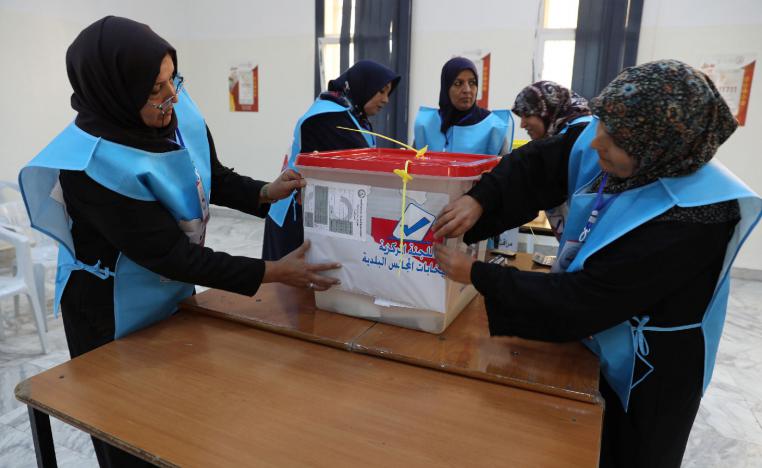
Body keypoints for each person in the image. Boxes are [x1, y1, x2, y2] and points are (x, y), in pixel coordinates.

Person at [19, 16, 340, 467]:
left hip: (170, 289)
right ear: (117, 88)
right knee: (128, 430)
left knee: (180, 417)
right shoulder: (87, 165)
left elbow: (209, 176)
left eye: (173, 78)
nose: (171, 94)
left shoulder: (175, 111)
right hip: (109, 307)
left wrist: (265, 192)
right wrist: (272, 271)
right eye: (155, 88)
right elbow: (170, 256)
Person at [431, 60, 761, 467]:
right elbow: (536, 163)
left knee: (630, 451)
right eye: (600, 123)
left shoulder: (697, 217)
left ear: (653, 149)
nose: (595, 142)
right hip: (593, 339)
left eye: (613, 137)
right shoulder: (610, 135)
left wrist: (478, 275)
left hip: (653, 370)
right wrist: (480, 198)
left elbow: (588, 299)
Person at [263, 60, 400, 260]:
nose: (386, 99)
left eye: (388, 92)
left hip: (320, 216)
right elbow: (358, 166)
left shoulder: (351, 114)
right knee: (289, 286)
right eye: (381, 91)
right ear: (364, 86)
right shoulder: (328, 117)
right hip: (295, 217)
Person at [511, 81, 594, 238]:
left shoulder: (573, 138)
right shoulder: (571, 133)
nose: (522, 124)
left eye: (527, 115)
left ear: (547, 111)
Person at [413, 56, 512, 155]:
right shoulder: (426, 126)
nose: (467, 90)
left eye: (472, 83)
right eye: (458, 83)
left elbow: (507, 169)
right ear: (446, 87)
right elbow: (411, 167)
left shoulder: (493, 128)